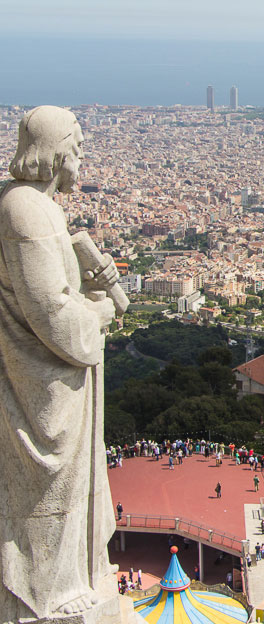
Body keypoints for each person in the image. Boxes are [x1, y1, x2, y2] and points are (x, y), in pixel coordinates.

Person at [0, 106, 120, 619]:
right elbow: (50, 314)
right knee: (49, 486)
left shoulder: (32, 205)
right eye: (77, 145)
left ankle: (70, 574)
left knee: (63, 487)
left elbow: (54, 294)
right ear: (53, 151)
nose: (81, 155)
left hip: (52, 379)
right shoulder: (24, 209)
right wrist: (102, 311)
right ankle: (47, 591)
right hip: (44, 387)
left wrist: (90, 287)